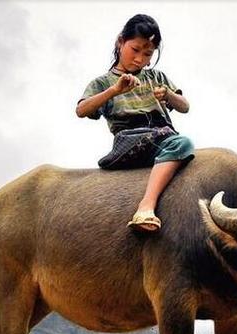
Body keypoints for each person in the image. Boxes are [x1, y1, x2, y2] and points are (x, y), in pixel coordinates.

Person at [76, 14, 193, 232]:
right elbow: (82, 110)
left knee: (182, 149)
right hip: (131, 139)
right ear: (120, 42)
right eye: (135, 49)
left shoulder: (157, 77)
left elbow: (184, 106)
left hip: (163, 137)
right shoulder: (103, 82)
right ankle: (146, 205)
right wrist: (114, 91)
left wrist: (168, 94)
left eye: (148, 54)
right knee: (182, 144)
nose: (140, 59)